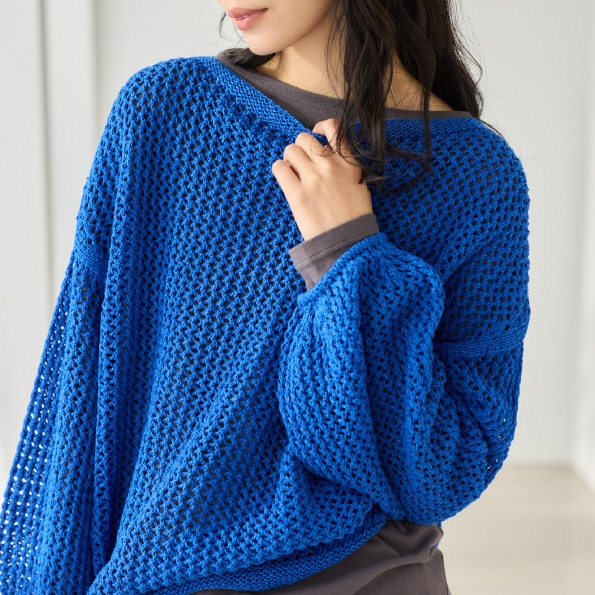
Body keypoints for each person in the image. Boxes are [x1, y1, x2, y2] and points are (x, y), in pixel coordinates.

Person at [0, 1, 530, 593]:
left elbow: (444, 474)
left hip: (372, 573)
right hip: (164, 573)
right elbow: (86, 394)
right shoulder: (165, 110)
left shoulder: (478, 175)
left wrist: (345, 253)